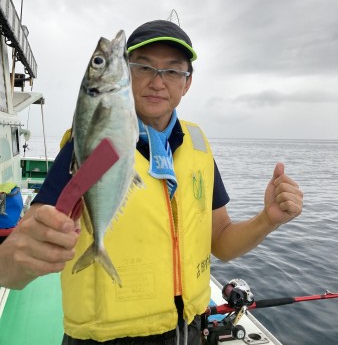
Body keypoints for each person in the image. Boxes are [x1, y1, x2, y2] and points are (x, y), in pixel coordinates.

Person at [0, 20, 303, 345]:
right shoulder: (92, 147)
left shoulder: (197, 146)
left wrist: (267, 219)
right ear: (127, 74)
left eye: (173, 71)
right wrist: (19, 256)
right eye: (144, 67)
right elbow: (15, 265)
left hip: (190, 332)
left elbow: (222, 242)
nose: (158, 82)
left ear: (187, 83)